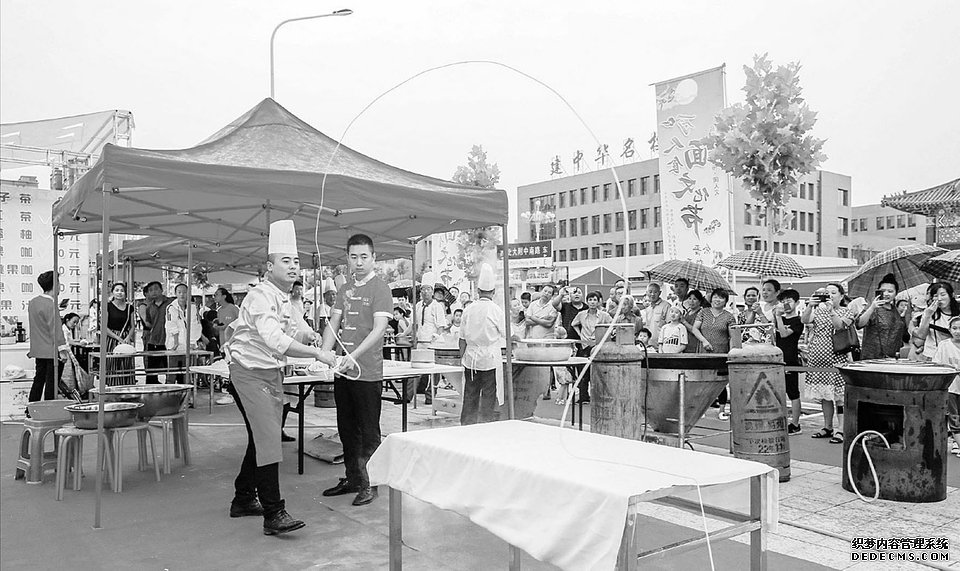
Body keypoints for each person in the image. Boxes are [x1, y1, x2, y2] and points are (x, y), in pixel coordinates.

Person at [223, 219, 327, 536]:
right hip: (248, 373)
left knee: (262, 436)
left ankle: (242, 498)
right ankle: (273, 512)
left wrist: (314, 339)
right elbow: (275, 339)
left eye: (296, 261)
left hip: (268, 373)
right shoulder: (259, 296)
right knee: (269, 437)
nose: (293, 267)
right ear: (269, 266)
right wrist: (316, 355)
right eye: (286, 261)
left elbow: (296, 330)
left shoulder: (284, 297)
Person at [320, 233, 392, 507]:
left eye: (364, 256)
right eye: (354, 257)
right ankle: (352, 478)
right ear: (347, 258)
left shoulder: (380, 288)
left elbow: (379, 329)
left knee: (368, 430)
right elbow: (334, 323)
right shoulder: (345, 289)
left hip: (367, 372)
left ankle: (370, 483)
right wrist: (324, 353)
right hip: (343, 372)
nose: (359, 262)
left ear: (374, 258)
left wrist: (354, 356)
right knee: (346, 428)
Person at [802, 283, 855, 444]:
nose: (830, 295)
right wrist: (810, 306)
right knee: (825, 396)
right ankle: (827, 426)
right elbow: (805, 320)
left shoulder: (847, 311)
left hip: (837, 357)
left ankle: (841, 429)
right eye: (827, 293)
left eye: (833, 292)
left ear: (841, 295)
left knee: (839, 396)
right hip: (818, 357)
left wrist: (831, 310)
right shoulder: (817, 310)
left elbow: (840, 326)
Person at [458, 263, 506, 425]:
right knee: (488, 393)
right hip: (489, 359)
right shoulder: (496, 310)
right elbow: (509, 334)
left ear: (478, 291)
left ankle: (466, 424)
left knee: (470, 393)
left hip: (471, 358)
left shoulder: (468, 309)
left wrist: (461, 358)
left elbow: (462, 338)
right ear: (493, 292)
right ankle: (485, 424)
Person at [693, 288, 738, 419]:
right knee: (703, 381)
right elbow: (695, 329)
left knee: (720, 382)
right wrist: (704, 341)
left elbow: (732, 336)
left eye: (721, 298)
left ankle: (722, 410)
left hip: (721, 353)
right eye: (715, 297)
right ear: (710, 298)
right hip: (704, 352)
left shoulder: (729, 316)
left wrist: (731, 353)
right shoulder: (703, 312)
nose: (717, 300)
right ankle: (701, 409)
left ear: (725, 301)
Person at [27, 271, 68, 403]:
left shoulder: (33, 302)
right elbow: (55, 330)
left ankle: (31, 408)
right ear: (55, 284)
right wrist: (62, 351)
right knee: (52, 384)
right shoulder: (51, 304)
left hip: (38, 349)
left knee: (38, 380)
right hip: (52, 350)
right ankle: (49, 410)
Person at [570, 291, 612, 403]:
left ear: (598, 301)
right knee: (583, 372)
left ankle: (599, 395)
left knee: (598, 371)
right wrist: (580, 335)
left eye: (594, 300)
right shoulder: (582, 314)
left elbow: (612, 327)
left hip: (597, 345)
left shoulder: (604, 315)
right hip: (584, 345)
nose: (592, 302)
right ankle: (584, 396)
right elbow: (574, 324)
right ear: (587, 301)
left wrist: (602, 336)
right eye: (590, 300)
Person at [857, 274, 910, 360]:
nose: (886, 294)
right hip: (872, 357)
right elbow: (859, 324)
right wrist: (872, 308)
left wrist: (903, 318)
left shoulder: (895, 310)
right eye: (883, 291)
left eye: (890, 291)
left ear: (896, 293)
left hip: (891, 358)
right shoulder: (873, 307)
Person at [774, 289, 804, 434]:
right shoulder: (778, 319)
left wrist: (779, 318)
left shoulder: (798, 321)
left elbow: (785, 334)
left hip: (790, 359)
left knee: (793, 392)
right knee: (777, 392)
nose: (786, 304)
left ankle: (796, 424)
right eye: (783, 301)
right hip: (776, 358)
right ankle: (780, 419)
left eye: (789, 301)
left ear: (797, 303)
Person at [932, 316, 960, 458]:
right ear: (949, 330)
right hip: (951, 387)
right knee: (954, 418)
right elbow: (937, 364)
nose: (958, 331)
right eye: (954, 328)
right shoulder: (944, 345)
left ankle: (957, 444)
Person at [911, 282, 959, 361]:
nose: (939, 299)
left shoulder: (957, 314)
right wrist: (927, 316)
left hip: (952, 357)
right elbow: (921, 335)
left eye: (943, 295)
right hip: (930, 355)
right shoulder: (929, 313)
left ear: (951, 295)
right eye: (936, 296)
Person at [165, 284, 203, 384]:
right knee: (172, 373)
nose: (182, 295)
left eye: (185, 292)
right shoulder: (171, 307)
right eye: (179, 292)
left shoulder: (193, 307)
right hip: (174, 345)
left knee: (187, 373)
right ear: (176, 293)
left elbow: (196, 325)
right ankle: (170, 395)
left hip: (189, 346)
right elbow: (171, 325)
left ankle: (187, 395)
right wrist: (176, 342)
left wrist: (192, 342)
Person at [104, 283, 136, 386]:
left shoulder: (130, 308)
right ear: (112, 292)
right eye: (117, 290)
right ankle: (113, 387)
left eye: (122, 290)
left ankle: (127, 387)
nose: (119, 293)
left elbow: (132, 326)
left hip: (126, 339)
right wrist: (117, 338)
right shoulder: (107, 306)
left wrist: (128, 337)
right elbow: (104, 327)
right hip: (112, 339)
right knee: (113, 364)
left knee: (127, 364)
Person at [142, 282, 173, 384]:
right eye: (150, 290)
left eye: (156, 289)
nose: (153, 292)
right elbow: (149, 323)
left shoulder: (171, 303)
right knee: (151, 373)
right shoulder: (149, 307)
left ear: (161, 290)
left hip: (169, 342)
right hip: (154, 341)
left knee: (172, 370)